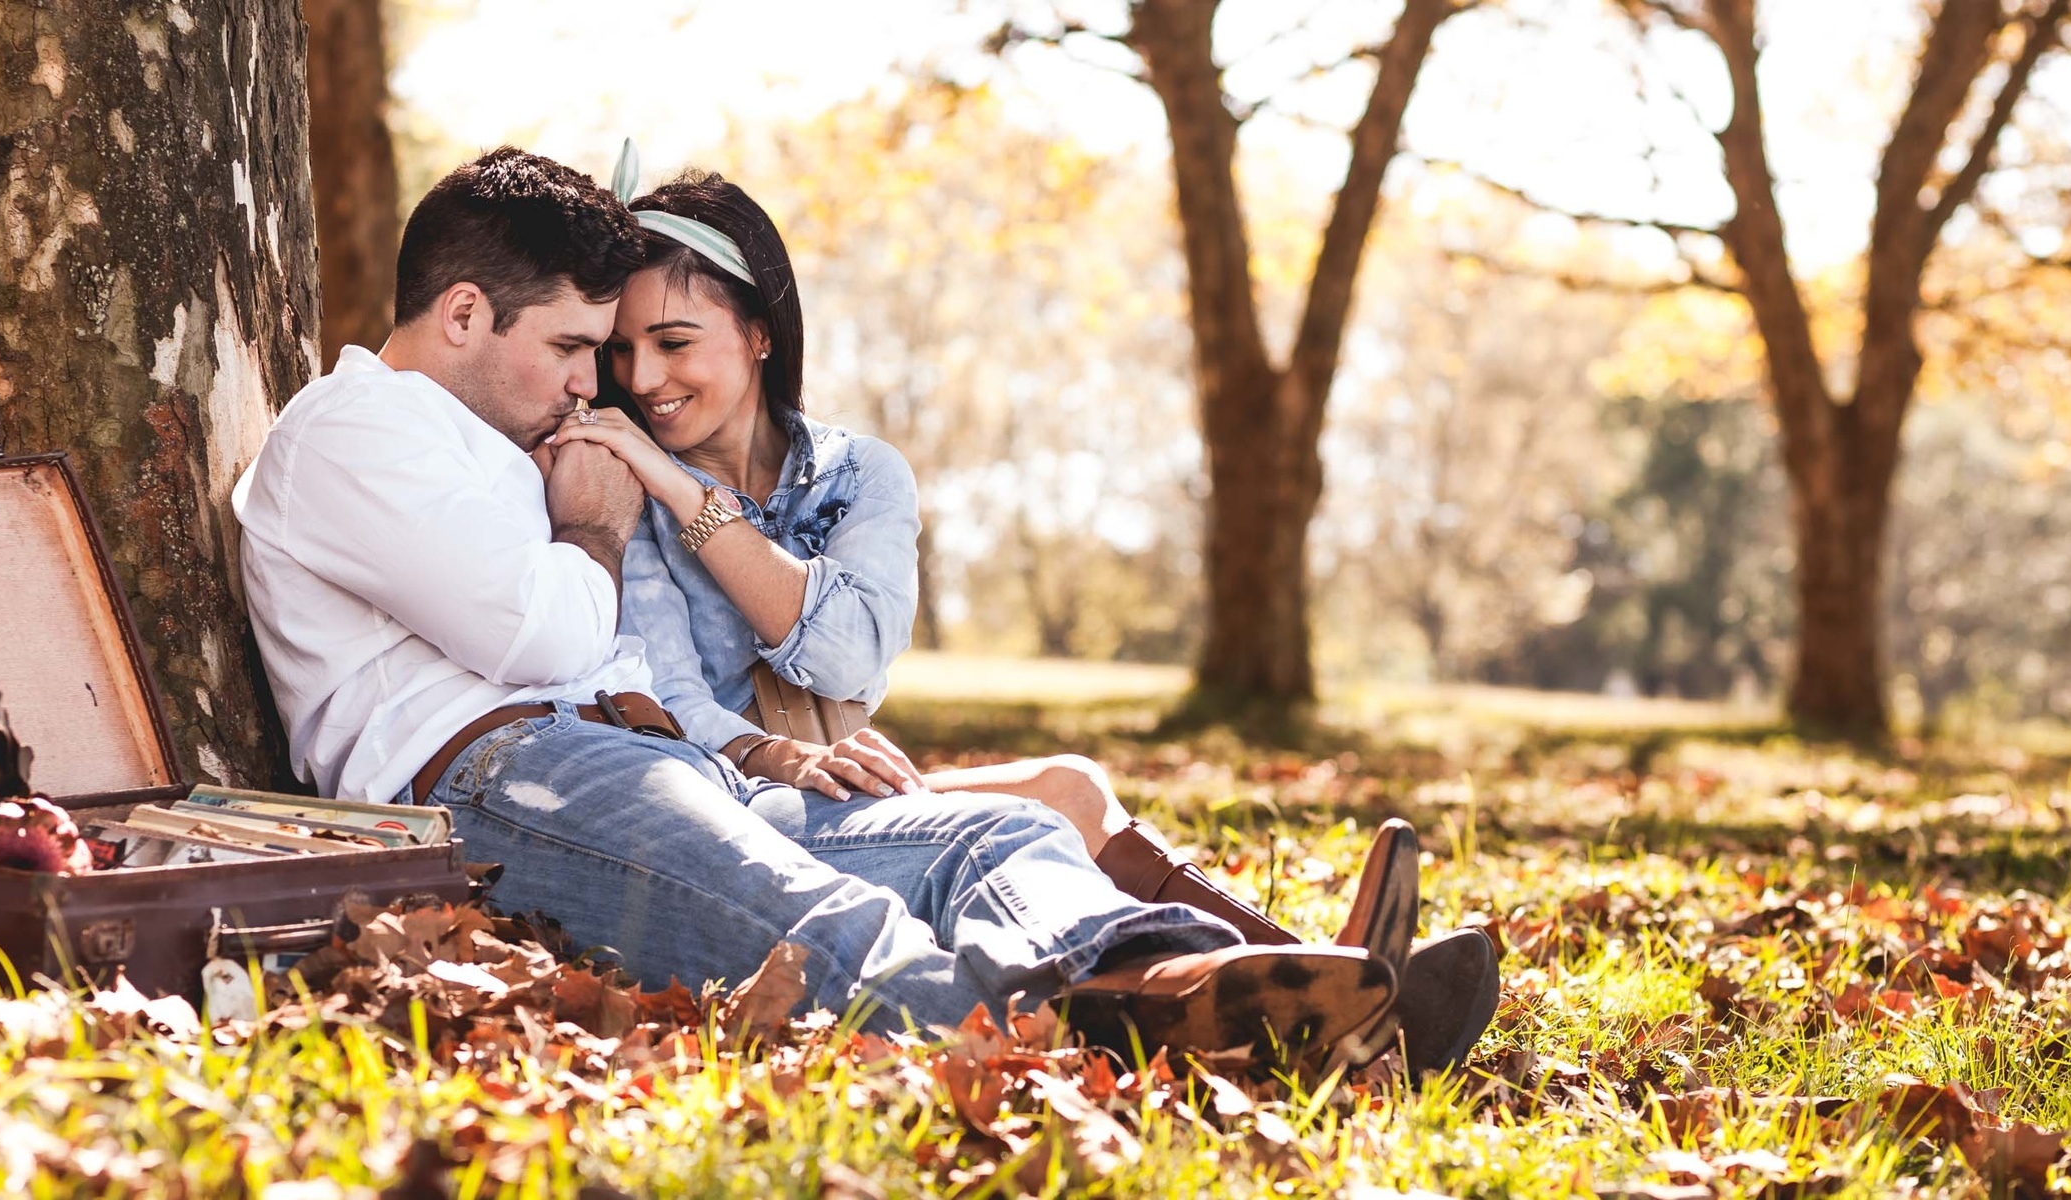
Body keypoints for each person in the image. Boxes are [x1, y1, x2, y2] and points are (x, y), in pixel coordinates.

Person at [231, 146, 1403, 1072]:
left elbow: (642, 647)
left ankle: (1224, 984)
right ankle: (1189, 1035)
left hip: (644, 764)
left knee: (1003, 836)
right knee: (820, 923)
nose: (597, 383)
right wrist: (590, 522)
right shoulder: (353, 434)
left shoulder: (509, 438)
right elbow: (544, 636)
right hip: (498, 783)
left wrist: (742, 746)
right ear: (466, 313)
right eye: (575, 347)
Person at [546, 155, 1500, 1083]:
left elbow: (847, 656)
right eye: (623, 351)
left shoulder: (856, 474)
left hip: (843, 781)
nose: (645, 375)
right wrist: (772, 745)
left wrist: (690, 495)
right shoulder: (626, 490)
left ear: (758, 332)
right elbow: (666, 702)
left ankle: (1319, 979)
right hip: (745, 802)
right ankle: (1320, 998)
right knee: (1035, 807)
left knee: (1071, 786)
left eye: (674, 342)